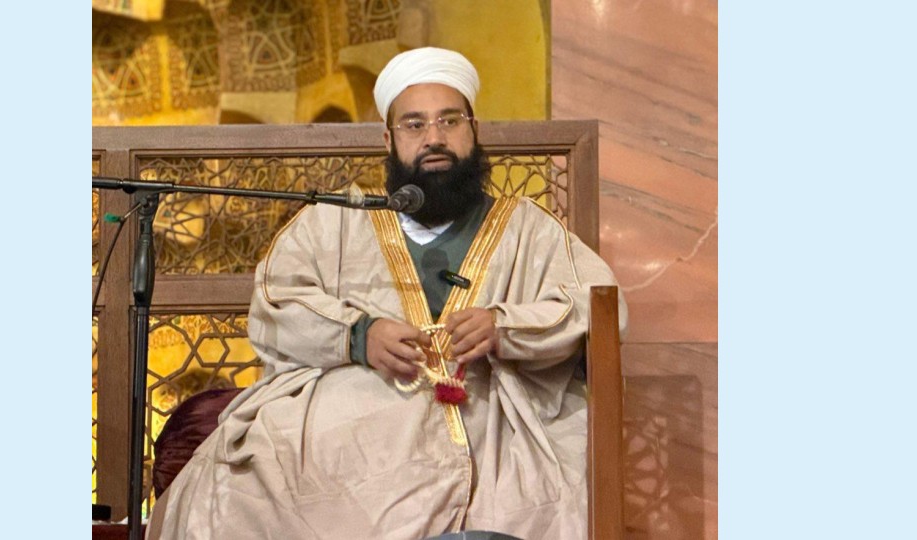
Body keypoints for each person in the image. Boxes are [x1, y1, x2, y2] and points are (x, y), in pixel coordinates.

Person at [148, 47, 627, 540]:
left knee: (563, 484)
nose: (434, 138)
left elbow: (598, 306)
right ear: (389, 139)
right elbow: (276, 303)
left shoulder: (528, 228)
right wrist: (359, 335)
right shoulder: (333, 222)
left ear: (474, 130)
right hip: (355, 435)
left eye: (449, 121)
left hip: (497, 432)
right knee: (235, 486)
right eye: (414, 125)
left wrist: (504, 327)